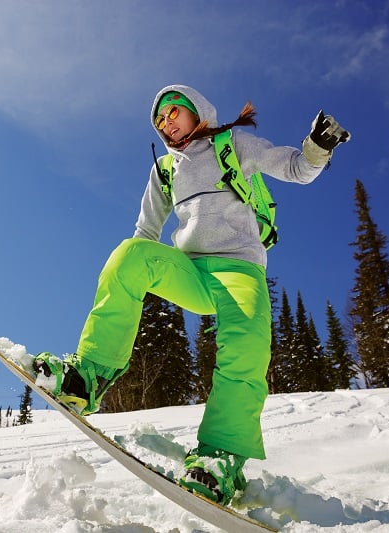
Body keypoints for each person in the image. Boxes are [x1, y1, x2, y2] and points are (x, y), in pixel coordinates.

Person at [34, 84, 350, 504]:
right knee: (129, 254)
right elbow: (145, 234)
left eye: (172, 111)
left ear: (196, 110)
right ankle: (88, 377)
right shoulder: (165, 170)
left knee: (246, 344)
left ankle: (221, 455)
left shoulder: (231, 144)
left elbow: (296, 169)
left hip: (239, 268)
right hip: (193, 271)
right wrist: (137, 271)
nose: (166, 122)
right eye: (159, 120)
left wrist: (317, 148)